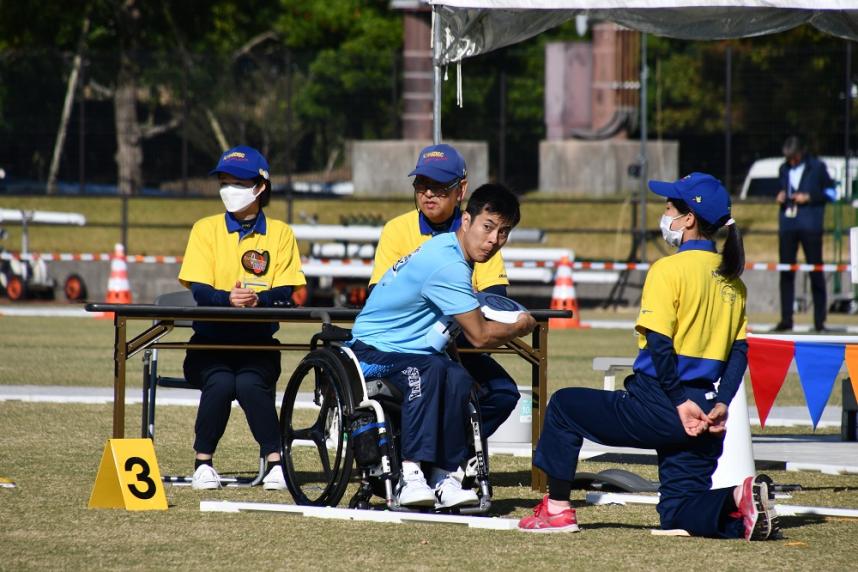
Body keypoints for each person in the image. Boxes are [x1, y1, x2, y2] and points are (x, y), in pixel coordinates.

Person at [519, 173, 779, 541]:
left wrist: (676, 402)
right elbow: (739, 352)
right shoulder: (732, 281)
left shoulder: (667, 270)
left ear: (689, 218)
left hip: (662, 403)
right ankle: (738, 504)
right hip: (706, 412)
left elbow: (660, 345)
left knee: (563, 406)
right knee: (677, 513)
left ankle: (557, 509)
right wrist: (722, 402)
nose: (664, 213)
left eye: (670, 207)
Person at [350, 184, 536, 509]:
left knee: (460, 378)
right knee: (433, 371)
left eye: (503, 232)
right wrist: (520, 326)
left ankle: (445, 475)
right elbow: (479, 336)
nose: (494, 240)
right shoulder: (448, 264)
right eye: (488, 227)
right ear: (466, 221)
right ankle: (410, 475)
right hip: (371, 350)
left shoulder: (450, 251)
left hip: (411, 351)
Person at [368, 143, 520, 441]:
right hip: (407, 344)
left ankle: (449, 453)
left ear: (460, 189)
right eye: (421, 185)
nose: (427, 194)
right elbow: (379, 294)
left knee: (503, 394)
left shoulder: (481, 231)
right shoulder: (397, 229)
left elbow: (494, 298)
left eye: (438, 187)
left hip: (460, 342)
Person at [178, 145, 306, 491]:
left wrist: (258, 300)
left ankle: (275, 461)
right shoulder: (205, 229)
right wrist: (227, 299)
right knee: (220, 384)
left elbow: (286, 291)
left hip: (259, 343)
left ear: (260, 187)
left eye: (237, 182)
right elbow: (200, 291)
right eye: (224, 181)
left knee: (250, 384)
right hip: (209, 343)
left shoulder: (280, 234)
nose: (228, 189)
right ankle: (202, 463)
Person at [774, 135, 834, 332]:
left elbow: (832, 192)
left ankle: (819, 321)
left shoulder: (817, 167)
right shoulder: (783, 169)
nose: (791, 162)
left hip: (811, 225)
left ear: (801, 153)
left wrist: (809, 197)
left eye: (794, 158)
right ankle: (786, 319)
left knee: (815, 271)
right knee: (786, 272)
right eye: (788, 159)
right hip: (788, 225)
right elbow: (780, 188)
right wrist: (781, 195)